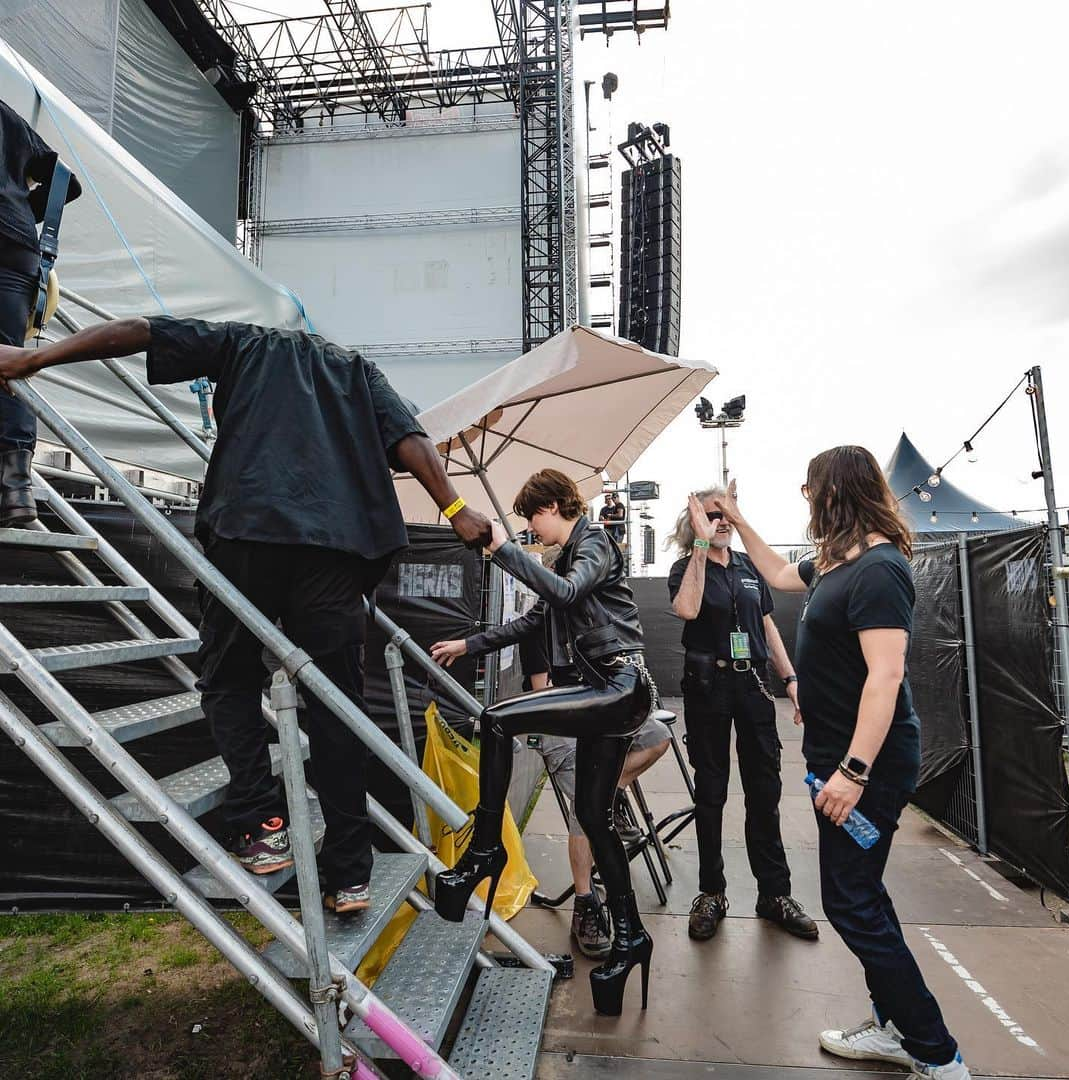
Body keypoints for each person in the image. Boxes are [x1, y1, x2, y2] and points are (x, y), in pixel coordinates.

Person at [0, 316, 491, 914]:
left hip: (251, 530)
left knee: (231, 680)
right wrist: (458, 509)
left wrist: (34, 360)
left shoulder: (245, 342)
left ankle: (263, 828)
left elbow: (135, 331)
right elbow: (411, 442)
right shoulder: (356, 368)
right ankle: (350, 875)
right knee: (338, 707)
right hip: (337, 551)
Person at [713, 450, 969, 1080]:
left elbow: (885, 678)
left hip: (866, 768)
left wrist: (853, 772)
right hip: (837, 756)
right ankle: (893, 1027)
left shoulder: (880, 569)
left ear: (837, 493)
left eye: (811, 488)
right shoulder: (835, 563)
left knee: (850, 902)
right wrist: (738, 516)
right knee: (865, 895)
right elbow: (774, 571)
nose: (806, 498)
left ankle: (937, 1054)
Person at [430, 468, 653, 1015]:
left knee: (498, 718)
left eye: (532, 517)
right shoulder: (571, 561)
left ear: (552, 505)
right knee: (594, 818)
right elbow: (531, 622)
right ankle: (630, 937)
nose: (531, 528)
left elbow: (565, 591)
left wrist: (504, 549)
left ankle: (486, 850)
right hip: (605, 688)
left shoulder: (595, 542)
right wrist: (468, 643)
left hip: (619, 684)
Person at [668, 489, 818, 942]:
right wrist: (698, 545)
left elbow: (766, 626)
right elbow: (687, 609)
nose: (724, 520)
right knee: (711, 792)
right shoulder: (685, 566)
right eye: (714, 514)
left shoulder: (751, 568)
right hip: (708, 687)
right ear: (697, 521)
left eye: (729, 513)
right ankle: (711, 892)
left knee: (764, 790)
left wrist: (791, 680)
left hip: (752, 685)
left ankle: (774, 894)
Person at [520, 629, 669, 959]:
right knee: (585, 802)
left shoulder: (590, 615)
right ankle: (584, 903)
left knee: (658, 735)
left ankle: (611, 792)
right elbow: (543, 698)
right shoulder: (541, 626)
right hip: (559, 722)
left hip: (599, 712)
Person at [0, 96, 80, 527]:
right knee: (8, 359)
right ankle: (17, 492)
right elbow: (66, 181)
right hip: (17, 250)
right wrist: (18, 211)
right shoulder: (9, 118)